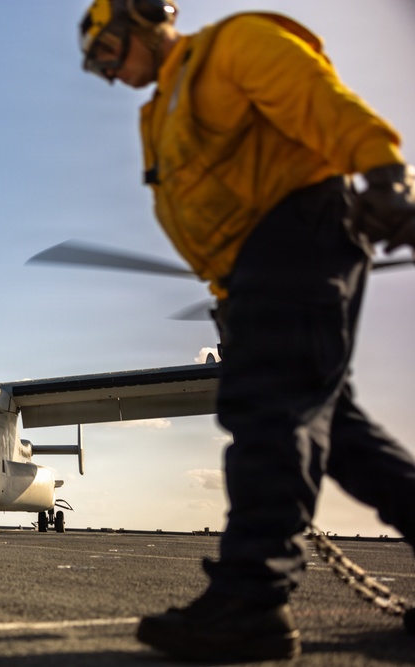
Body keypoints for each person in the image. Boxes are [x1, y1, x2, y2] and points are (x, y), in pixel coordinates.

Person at [77, 0, 415, 661]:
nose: (110, 74)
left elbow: (320, 100)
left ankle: (252, 601)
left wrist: (385, 173)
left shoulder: (232, 46)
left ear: (143, 21)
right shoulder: (161, 109)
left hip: (296, 233)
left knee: (266, 410)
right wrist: (232, 300)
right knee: (342, 437)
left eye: (109, 55)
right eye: (98, 68)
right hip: (254, 271)